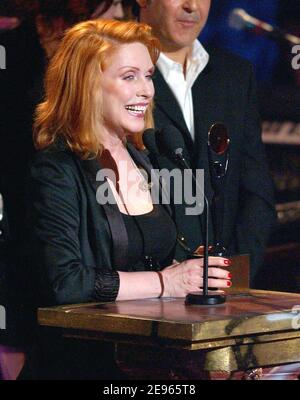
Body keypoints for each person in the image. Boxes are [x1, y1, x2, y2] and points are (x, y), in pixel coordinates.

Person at [24, 18, 231, 378]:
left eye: (148, 76)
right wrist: (167, 282)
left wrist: (194, 271)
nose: (147, 91)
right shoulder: (56, 168)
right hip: (81, 365)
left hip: (148, 362)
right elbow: (67, 283)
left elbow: (157, 257)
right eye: (129, 76)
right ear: (87, 85)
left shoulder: (145, 159)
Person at [134, 0, 277, 287]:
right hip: (147, 289)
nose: (191, 6)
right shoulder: (116, 73)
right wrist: (162, 282)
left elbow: (256, 189)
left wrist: (229, 273)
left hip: (222, 290)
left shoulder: (235, 74)